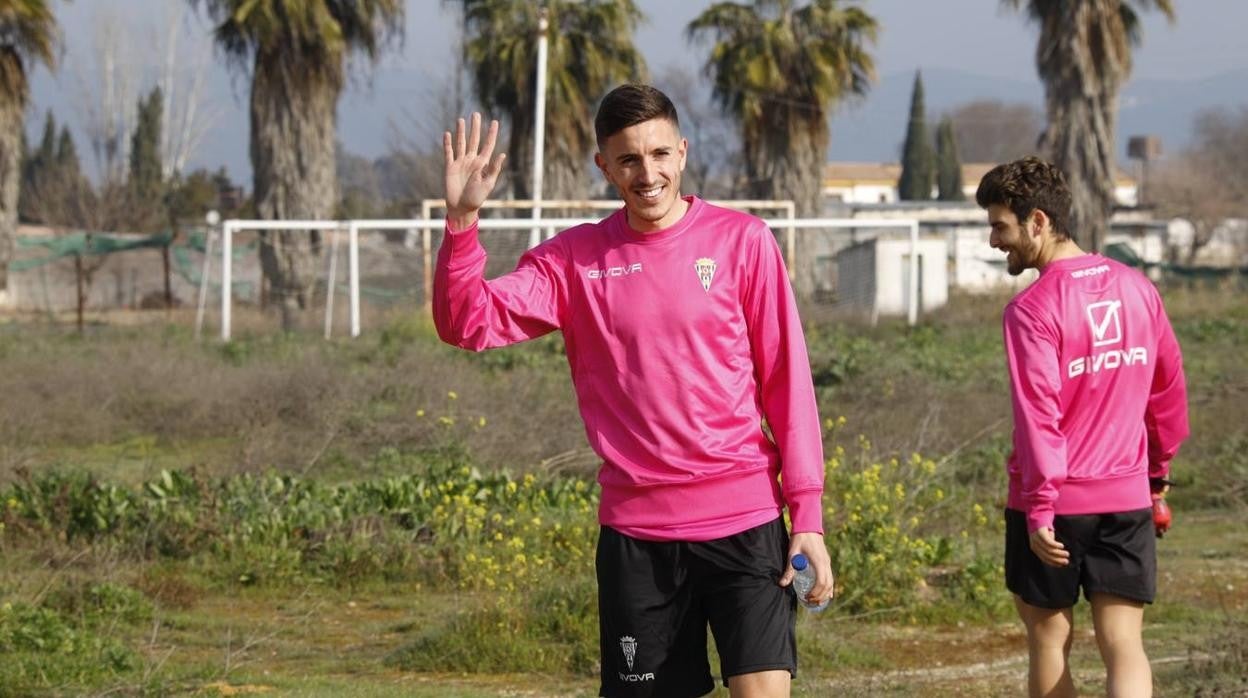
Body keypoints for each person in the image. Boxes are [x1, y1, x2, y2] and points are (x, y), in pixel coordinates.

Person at [434, 83, 832, 698]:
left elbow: (788, 385)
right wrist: (462, 224)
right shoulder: (574, 261)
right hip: (638, 540)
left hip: (746, 524)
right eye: (627, 159)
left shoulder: (742, 242)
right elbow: (467, 323)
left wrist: (807, 517)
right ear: (604, 166)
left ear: (682, 152)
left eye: (658, 155)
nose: (647, 174)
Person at [976, 156, 1189, 698]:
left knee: (1049, 641)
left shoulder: (1031, 309)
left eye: (1001, 225)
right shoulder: (1139, 288)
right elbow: (1167, 392)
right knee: (1124, 643)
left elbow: (1039, 417)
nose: (995, 241)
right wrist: (1156, 475)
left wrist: (1042, 504)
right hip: (1126, 497)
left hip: (1053, 507)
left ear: (1038, 222)